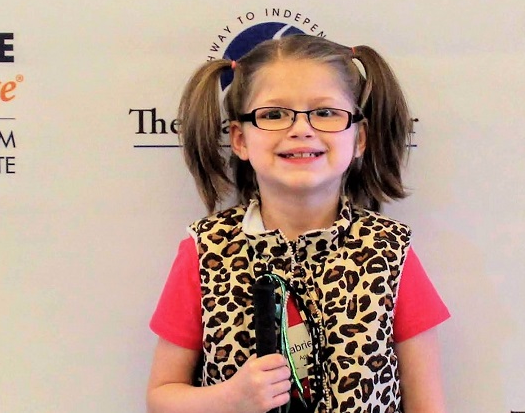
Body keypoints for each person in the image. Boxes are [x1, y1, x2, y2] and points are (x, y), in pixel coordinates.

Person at [146, 35, 450, 413]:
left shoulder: (390, 251)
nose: (301, 129)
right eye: (274, 114)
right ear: (240, 139)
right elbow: (161, 398)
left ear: (359, 137)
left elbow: (428, 405)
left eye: (325, 112)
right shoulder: (207, 251)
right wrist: (229, 399)